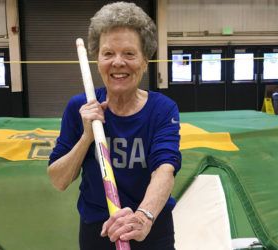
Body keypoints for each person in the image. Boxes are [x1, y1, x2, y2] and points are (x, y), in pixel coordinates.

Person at [48, 2, 181, 250]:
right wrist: (87, 136)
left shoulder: (162, 109)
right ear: (97, 60)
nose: (118, 62)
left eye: (129, 54)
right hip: (98, 228)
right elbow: (58, 179)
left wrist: (143, 217)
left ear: (144, 60)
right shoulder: (80, 107)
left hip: (150, 225)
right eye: (108, 54)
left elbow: (165, 169)